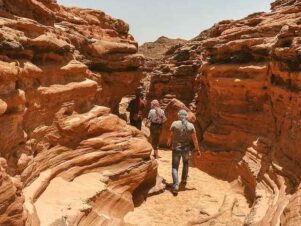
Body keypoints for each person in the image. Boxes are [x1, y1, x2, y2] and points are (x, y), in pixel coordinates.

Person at [169, 109, 201, 195]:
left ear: (179, 115)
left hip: (176, 148)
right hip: (186, 149)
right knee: (186, 163)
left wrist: (170, 143)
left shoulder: (174, 124)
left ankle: (175, 186)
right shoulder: (191, 126)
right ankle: (184, 180)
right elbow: (195, 140)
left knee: (175, 167)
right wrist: (197, 149)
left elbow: (171, 136)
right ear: (186, 116)